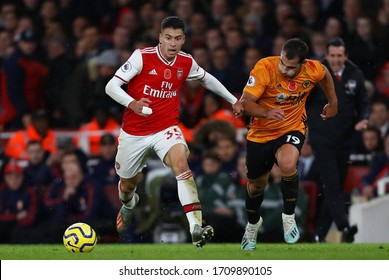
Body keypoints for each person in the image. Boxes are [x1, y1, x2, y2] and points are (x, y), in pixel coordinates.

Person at [105, 16, 243, 248]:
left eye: (177, 39)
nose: (172, 43)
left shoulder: (185, 62)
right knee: (127, 186)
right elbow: (111, 86)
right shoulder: (142, 57)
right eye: (168, 38)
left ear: (183, 40)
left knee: (181, 162)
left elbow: (206, 79)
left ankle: (195, 227)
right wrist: (133, 104)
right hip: (134, 132)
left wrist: (232, 100)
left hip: (166, 128)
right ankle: (128, 204)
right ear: (160, 37)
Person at [238, 38, 338, 250]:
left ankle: (289, 216)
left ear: (303, 64)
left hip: (291, 127)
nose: (284, 69)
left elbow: (325, 75)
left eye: (290, 67)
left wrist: (333, 101)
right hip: (260, 133)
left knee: (288, 164)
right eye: (282, 63)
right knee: (256, 185)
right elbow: (246, 102)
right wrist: (266, 112)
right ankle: (253, 224)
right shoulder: (265, 67)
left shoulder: (312, 69)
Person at [306, 37, 370, 243]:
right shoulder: (315, 73)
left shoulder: (355, 74)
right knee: (332, 184)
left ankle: (319, 234)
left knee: (334, 187)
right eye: (332, 55)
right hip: (322, 139)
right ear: (326, 55)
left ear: (346, 56)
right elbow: (303, 101)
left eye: (339, 55)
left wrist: (363, 120)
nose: (335, 59)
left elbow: (364, 103)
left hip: (345, 139)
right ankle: (345, 226)